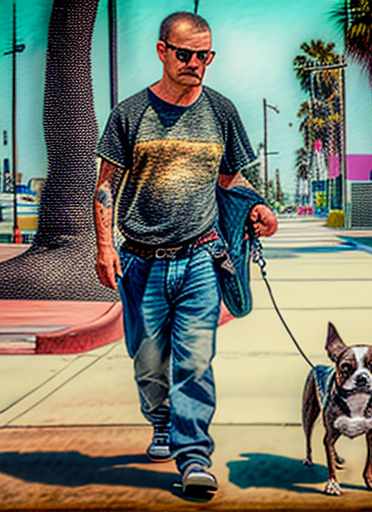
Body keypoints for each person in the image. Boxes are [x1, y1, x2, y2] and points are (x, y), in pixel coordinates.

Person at [94, 11, 277, 494]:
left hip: (201, 257)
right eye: (186, 54)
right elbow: (106, 187)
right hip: (140, 261)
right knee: (148, 362)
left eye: (204, 55)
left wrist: (261, 206)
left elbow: (230, 180)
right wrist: (104, 247)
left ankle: (194, 456)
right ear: (162, 52)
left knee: (195, 361)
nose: (196, 62)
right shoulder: (130, 114)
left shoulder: (221, 110)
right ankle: (160, 420)